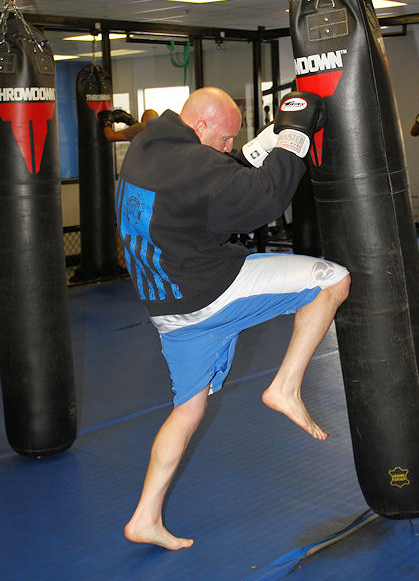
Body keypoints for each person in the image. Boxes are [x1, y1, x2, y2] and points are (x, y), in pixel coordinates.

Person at [116, 86, 350, 551]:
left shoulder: (146, 146)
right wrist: (295, 136)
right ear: (200, 126)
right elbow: (264, 199)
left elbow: (224, 170)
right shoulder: (196, 166)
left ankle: (145, 517)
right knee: (334, 280)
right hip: (209, 291)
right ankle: (285, 387)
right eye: (224, 138)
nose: (228, 148)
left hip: (167, 312)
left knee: (188, 409)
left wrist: (270, 137)